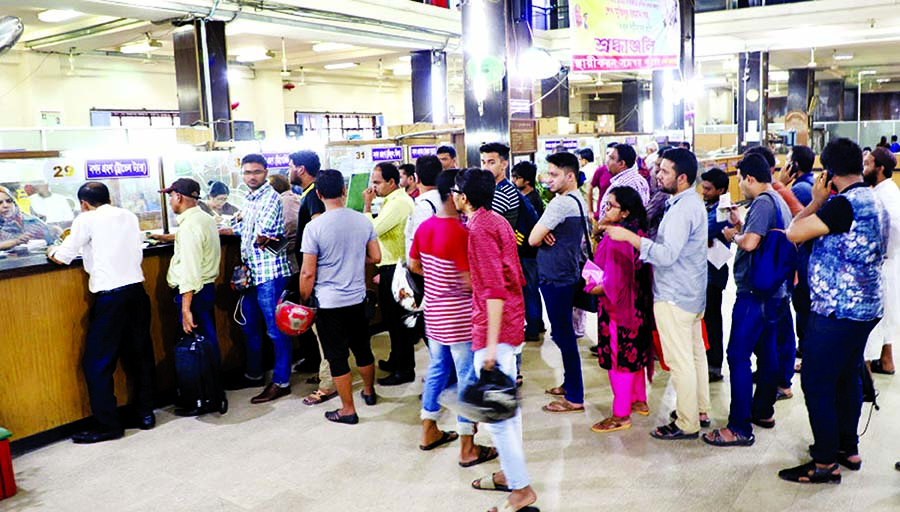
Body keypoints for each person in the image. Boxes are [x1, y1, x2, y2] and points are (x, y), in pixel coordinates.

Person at [779, 137, 887, 483]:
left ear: (830, 172)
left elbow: (794, 233)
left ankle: (825, 462)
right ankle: (847, 446)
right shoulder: (873, 197)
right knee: (846, 376)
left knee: (816, 381)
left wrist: (815, 202)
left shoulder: (842, 206)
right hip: (866, 306)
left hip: (839, 310)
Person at [605, 147, 709, 440]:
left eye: (664, 171)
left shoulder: (682, 209)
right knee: (694, 355)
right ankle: (699, 409)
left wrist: (631, 239)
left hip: (675, 295)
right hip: (690, 292)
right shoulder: (686, 203)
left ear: (683, 177)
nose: (657, 174)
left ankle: (688, 422)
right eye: (658, 168)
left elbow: (665, 255)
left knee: (680, 361)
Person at [48, 182, 155, 443]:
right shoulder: (129, 216)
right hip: (137, 293)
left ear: (84, 203)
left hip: (111, 298)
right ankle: (145, 414)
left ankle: (108, 425)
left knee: (97, 362)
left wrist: (52, 250)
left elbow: (63, 256)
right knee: (140, 355)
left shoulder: (86, 219)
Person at [456, 168, 536, 512]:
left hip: (495, 330)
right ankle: (509, 473)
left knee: (497, 416)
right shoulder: (498, 220)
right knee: (507, 408)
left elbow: (493, 288)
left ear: (464, 197)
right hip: (512, 322)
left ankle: (521, 491)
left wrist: (489, 345)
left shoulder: (478, 229)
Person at [703, 153, 793, 448]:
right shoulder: (778, 201)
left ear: (749, 178)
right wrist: (741, 227)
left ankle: (739, 426)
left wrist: (733, 235)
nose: (738, 183)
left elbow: (752, 242)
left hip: (755, 293)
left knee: (738, 356)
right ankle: (763, 411)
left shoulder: (762, 203)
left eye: (739, 178)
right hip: (774, 292)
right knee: (767, 353)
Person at [410, 168, 497, 466]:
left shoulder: (425, 228)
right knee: (466, 380)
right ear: (455, 195)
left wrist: (437, 281)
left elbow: (414, 265)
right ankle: (467, 447)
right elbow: (468, 281)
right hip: (459, 318)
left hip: (433, 315)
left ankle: (429, 430)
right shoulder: (461, 233)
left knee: (436, 370)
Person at [299, 169, 381, 424]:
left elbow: (307, 273)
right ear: (344, 191)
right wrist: (356, 260)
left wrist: (304, 299)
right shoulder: (362, 220)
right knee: (363, 348)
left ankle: (348, 410)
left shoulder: (314, 227)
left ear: (320, 194)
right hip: (356, 298)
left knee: (337, 357)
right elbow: (376, 257)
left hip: (328, 303)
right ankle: (369, 391)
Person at [220, 154, 293, 404]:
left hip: (270, 274)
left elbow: (264, 235)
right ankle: (254, 374)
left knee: (275, 331)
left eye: (257, 172)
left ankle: (281, 381)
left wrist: (259, 237)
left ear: (266, 172)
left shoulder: (271, 198)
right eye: (248, 172)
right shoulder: (250, 199)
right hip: (252, 274)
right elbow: (248, 229)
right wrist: (227, 230)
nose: (252, 176)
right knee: (249, 326)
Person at [588, 186, 654, 433]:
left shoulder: (618, 239)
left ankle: (620, 414)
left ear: (625, 212)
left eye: (610, 206)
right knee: (635, 355)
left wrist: (590, 288)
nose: (605, 210)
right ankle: (639, 400)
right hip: (637, 306)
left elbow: (611, 285)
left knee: (620, 362)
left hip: (619, 310)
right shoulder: (634, 232)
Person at [529, 152, 588, 414]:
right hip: (567, 273)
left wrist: (543, 234)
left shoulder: (560, 204)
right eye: (547, 173)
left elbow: (532, 238)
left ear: (570, 175)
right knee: (564, 334)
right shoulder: (578, 198)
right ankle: (569, 384)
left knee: (564, 336)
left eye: (554, 175)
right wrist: (546, 234)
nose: (548, 180)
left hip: (556, 278)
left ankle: (575, 396)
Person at [158, 178, 222, 417]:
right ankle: (212, 393)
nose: (170, 200)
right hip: (206, 288)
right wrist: (169, 238)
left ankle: (202, 399)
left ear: (179, 197)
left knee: (196, 346)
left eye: (171, 196)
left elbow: (190, 271)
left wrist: (186, 308)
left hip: (193, 293)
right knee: (207, 342)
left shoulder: (189, 226)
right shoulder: (204, 218)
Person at [363, 162, 416, 385]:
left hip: (397, 270)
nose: (373, 188)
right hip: (392, 268)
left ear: (391, 182)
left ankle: (404, 370)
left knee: (398, 323)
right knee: (392, 321)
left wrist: (366, 207)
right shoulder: (391, 201)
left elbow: (372, 230)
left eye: (377, 182)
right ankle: (396, 360)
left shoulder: (399, 203)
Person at [288, 150, 328, 388]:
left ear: (301, 169)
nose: (289, 170)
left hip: (315, 271)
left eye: (291, 165)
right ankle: (326, 372)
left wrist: (309, 273)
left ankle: (329, 378)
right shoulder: (307, 194)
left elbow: (318, 232)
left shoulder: (312, 195)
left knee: (321, 330)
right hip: (313, 269)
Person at [863, 147, 899, 376]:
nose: (864, 168)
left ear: (880, 168)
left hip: (881, 264)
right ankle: (886, 361)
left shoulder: (881, 196)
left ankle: (863, 373)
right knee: (887, 317)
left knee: (871, 320)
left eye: (867, 164)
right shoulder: (891, 191)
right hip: (891, 263)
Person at [699, 168, 730, 383]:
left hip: (714, 272)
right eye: (703, 187)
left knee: (712, 319)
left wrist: (700, 234)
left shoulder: (723, 209)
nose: (704, 191)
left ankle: (714, 364)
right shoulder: (707, 205)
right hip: (701, 271)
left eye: (709, 189)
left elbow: (702, 230)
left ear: (721, 190)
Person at [511, 161, 545, 342]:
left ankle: (532, 329)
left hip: (527, 253)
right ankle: (537, 323)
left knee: (529, 291)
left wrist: (516, 247)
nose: (513, 180)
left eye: (516, 177)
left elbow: (524, 229)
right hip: (530, 252)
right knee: (532, 290)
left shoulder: (530, 200)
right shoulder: (531, 196)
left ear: (526, 180)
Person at [598, 143, 649, 217]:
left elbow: (618, 216)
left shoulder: (623, 185)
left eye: (612, 158)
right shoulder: (639, 179)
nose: (607, 161)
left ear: (622, 163)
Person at [0, 186, 57, 250]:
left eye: (9, 201)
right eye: (0, 203)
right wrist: (15, 242)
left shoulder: (33, 222)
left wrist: (54, 232)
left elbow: (53, 245)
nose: (5, 205)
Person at [268, 174, 302, 273]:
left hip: (288, 252)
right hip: (304, 248)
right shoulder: (299, 198)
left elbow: (289, 225)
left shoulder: (277, 203)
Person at [587, 142, 617, 220]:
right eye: (607, 154)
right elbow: (590, 187)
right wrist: (590, 211)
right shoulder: (601, 170)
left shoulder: (623, 172)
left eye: (612, 156)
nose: (608, 158)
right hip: (602, 213)